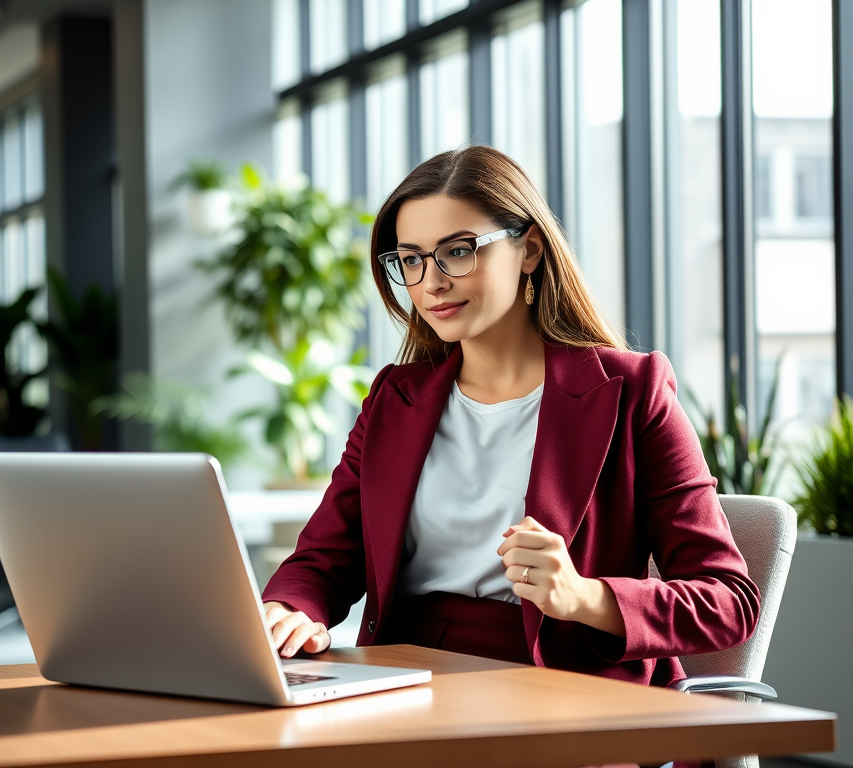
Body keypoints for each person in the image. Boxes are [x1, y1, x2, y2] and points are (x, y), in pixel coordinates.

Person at [261, 146, 759, 688]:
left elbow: (727, 601)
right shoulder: (393, 399)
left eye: (458, 250)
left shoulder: (632, 392)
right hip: (405, 680)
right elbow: (321, 560)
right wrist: (290, 610)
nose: (431, 282)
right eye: (411, 259)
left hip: (567, 688)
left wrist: (584, 595)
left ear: (530, 250)